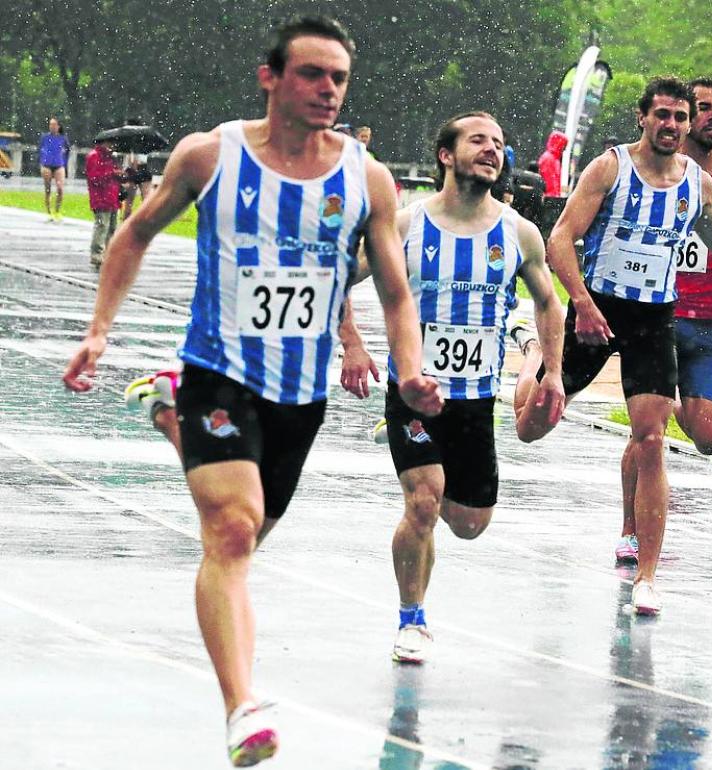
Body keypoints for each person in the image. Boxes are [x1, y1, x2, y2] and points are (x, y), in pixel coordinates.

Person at [61, 15, 442, 767]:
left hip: (298, 394)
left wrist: (406, 367)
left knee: (246, 535)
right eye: (311, 74)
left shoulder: (366, 179)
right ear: (271, 78)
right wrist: (100, 329)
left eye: (338, 78)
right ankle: (242, 708)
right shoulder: (211, 157)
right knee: (232, 532)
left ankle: (169, 414)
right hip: (220, 369)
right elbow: (134, 235)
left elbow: (396, 291)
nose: (327, 90)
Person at [525, 76, 712, 614]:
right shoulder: (610, 168)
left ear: (688, 124)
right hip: (596, 309)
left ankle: (646, 575)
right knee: (533, 426)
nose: (671, 125)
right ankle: (535, 351)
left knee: (651, 439)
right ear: (643, 118)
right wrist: (582, 303)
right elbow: (560, 239)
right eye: (662, 116)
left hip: (652, 319)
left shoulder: (699, 184)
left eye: (679, 117)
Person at [360, 112, 566, 664]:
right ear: (446, 155)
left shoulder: (519, 232)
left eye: (498, 143)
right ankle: (411, 619)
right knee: (422, 505)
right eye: (478, 141)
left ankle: (426, 471)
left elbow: (549, 303)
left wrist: (553, 372)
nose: (491, 150)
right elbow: (341, 276)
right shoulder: (406, 226)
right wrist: (352, 344)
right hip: (413, 392)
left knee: (469, 524)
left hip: (475, 398)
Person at [611, 76, 712, 566]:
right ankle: (630, 530)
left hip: (706, 323)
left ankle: (673, 400)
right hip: (656, 314)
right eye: (702, 109)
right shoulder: (654, 169)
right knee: (648, 431)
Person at [84, 138, 123, 269]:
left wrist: (120, 175)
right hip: (101, 198)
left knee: (112, 228)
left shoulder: (111, 157)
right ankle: (96, 255)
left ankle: (108, 254)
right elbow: (94, 177)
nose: (112, 145)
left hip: (112, 198)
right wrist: (112, 173)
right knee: (101, 226)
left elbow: (114, 175)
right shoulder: (94, 156)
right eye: (110, 143)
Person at [39, 117, 70, 222]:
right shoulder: (44, 137)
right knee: (48, 190)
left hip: (59, 165)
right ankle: (49, 212)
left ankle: (57, 211)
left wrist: (64, 164)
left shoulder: (63, 138)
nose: (52, 126)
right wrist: (42, 162)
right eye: (50, 124)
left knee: (60, 189)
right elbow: (40, 150)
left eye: (54, 124)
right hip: (46, 165)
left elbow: (67, 152)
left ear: (58, 126)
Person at [537, 129, 568, 198]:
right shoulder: (550, 159)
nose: (565, 149)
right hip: (549, 198)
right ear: (558, 144)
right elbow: (549, 182)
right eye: (564, 145)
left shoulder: (553, 158)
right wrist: (553, 198)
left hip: (549, 197)